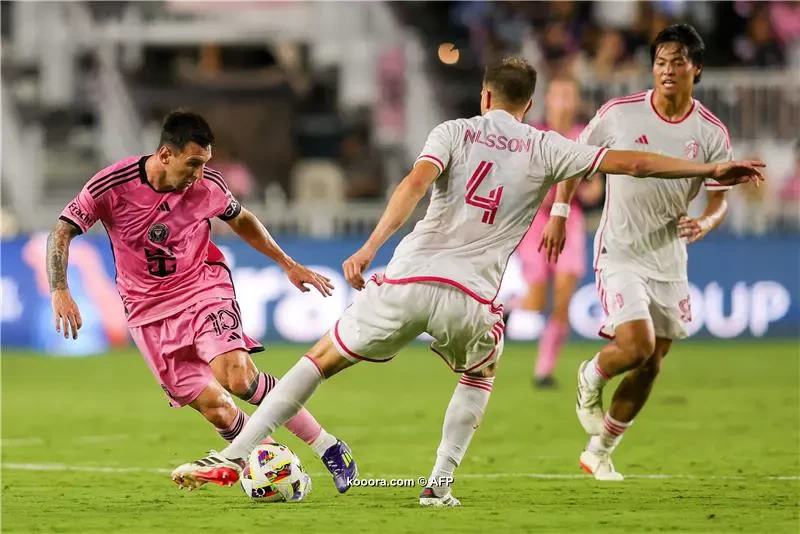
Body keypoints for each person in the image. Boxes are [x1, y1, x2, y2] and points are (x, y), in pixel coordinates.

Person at [170, 57, 763, 505]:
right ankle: (439, 484)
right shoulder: (546, 145)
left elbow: (413, 184)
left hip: (405, 280)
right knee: (479, 374)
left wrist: (371, 246)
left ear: (485, 96)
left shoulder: (453, 132)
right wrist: (710, 167)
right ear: (527, 106)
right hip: (470, 299)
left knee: (317, 362)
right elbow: (632, 162)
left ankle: (235, 454)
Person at [47, 111, 358, 493]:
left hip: (202, 288)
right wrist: (60, 288)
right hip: (147, 313)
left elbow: (242, 218)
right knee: (217, 408)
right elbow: (62, 230)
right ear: (165, 155)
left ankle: (329, 447)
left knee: (239, 378)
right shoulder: (113, 185)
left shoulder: (208, 185)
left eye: (204, 164)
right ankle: (277, 467)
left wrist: (287, 264)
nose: (198, 174)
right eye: (192, 164)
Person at [539, 25, 746, 481]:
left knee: (652, 364)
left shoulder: (710, 131)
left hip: (669, 255)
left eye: (677, 62)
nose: (667, 70)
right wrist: (558, 210)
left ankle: (601, 450)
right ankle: (590, 374)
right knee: (637, 346)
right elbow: (577, 158)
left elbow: (719, 195)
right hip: (620, 248)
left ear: (697, 69)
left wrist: (707, 221)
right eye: (660, 62)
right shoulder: (620, 114)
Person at [514, 76, 603, 388]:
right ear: (547, 100)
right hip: (536, 222)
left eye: (570, 96)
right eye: (559, 95)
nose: (564, 102)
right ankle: (501, 313)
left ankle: (544, 371)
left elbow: (594, 191)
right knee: (536, 300)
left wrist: (575, 189)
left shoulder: (585, 137)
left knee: (563, 300)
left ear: (576, 102)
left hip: (569, 221)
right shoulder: (531, 135)